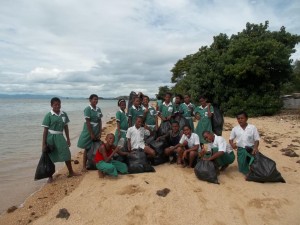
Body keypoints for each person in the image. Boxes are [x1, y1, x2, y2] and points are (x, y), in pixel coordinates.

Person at [42, 97, 80, 182]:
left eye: (59, 104)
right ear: (51, 105)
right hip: (50, 138)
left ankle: (71, 172)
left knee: (66, 154)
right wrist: (43, 144)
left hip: (60, 136)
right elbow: (45, 130)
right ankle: (50, 176)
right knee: (50, 157)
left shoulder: (64, 114)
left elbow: (66, 127)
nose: (57, 106)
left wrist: (68, 139)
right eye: (55, 104)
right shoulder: (49, 115)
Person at [77, 94, 102, 172]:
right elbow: (88, 122)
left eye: (97, 99)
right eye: (94, 99)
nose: (96, 101)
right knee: (87, 148)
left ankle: (94, 163)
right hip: (89, 130)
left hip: (96, 129)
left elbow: (100, 121)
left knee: (95, 147)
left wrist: (100, 131)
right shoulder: (87, 109)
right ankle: (84, 166)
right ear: (90, 100)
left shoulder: (98, 109)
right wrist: (91, 134)